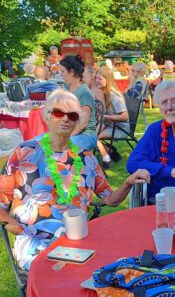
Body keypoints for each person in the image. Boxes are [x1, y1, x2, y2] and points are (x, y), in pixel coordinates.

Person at [0, 90, 150, 270]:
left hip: (78, 240)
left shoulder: (86, 158)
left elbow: (110, 199)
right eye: (58, 113)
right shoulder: (25, 153)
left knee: (114, 264)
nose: (65, 119)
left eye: (71, 115)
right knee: (72, 271)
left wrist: (128, 182)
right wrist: (11, 224)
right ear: (47, 117)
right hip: (36, 241)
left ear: (77, 122)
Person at [59, 55, 97, 150]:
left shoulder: (84, 93)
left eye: (63, 71)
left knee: (57, 147)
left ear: (71, 72)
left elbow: (82, 124)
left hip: (86, 134)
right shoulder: (67, 88)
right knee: (37, 142)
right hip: (68, 131)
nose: (60, 74)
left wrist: (65, 138)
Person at [95, 66, 129, 168]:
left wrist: (105, 117)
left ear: (108, 80)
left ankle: (108, 159)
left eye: (100, 79)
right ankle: (112, 152)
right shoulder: (103, 93)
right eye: (96, 78)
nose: (97, 81)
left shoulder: (114, 95)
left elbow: (125, 116)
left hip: (121, 128)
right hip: (111, 125)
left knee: (93, 138)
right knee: (90, 134)